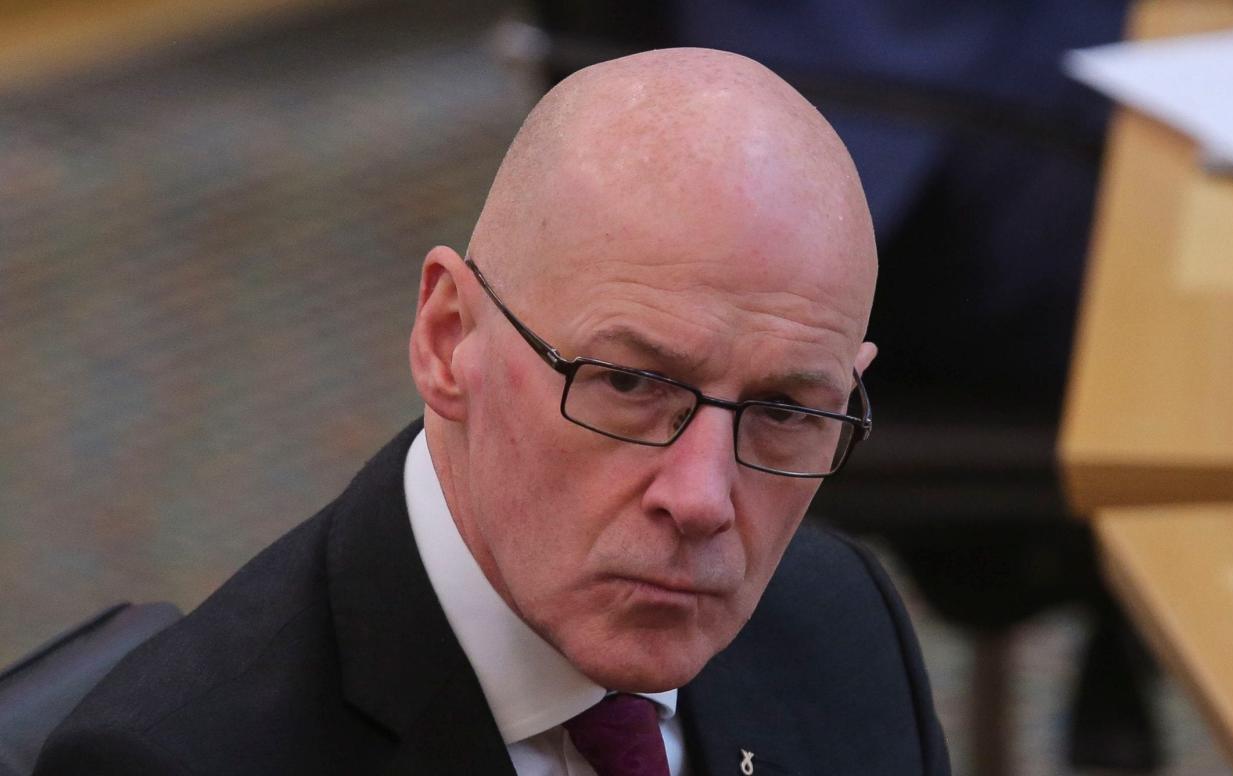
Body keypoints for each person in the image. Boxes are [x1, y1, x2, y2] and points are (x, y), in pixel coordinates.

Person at [35, 48, 949, 775]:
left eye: (786, 408)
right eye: (630, 383)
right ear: (447, 339)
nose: (704, 497)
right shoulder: (182, 758)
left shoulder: (840, 625)